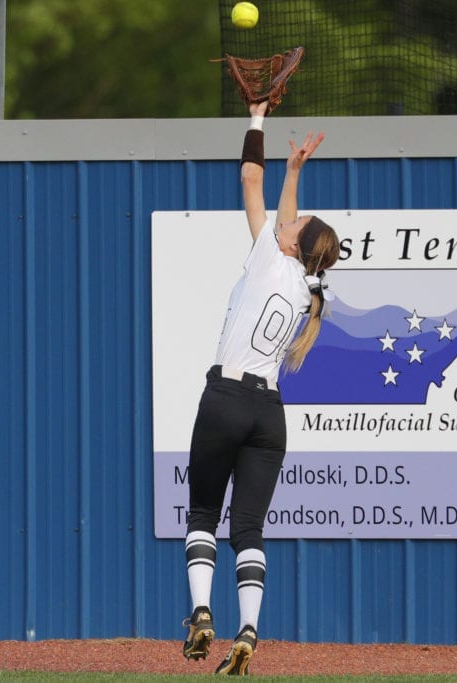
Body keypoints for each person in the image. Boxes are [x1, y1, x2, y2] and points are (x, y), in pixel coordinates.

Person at [180, 99, 340, 676]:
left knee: (202, 513)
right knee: (249, 528)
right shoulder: (305, 290)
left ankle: (201, 613)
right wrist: (295, 173)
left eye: (292, 224)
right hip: (269, 415)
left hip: (224, 400)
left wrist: (257, 117)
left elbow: (250, 176)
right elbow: (284, 209)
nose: (285, 221)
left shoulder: (268, 258)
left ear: (293, 244)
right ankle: (248, 628)